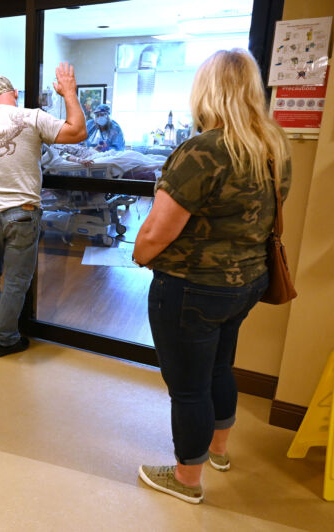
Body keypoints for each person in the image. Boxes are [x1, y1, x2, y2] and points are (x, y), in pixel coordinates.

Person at [132, 49, 291, 504]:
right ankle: (218, 452)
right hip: (247, 281)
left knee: (187, 388)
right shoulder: (274, 147)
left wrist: (140, 257)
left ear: (207, 91)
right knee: (221, 366)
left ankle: (185, 480)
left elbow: (156, 232)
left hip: (191, 288)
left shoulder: (203, 150)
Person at [0, 64, 87, 357]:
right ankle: (4, 339)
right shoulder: (32, 117)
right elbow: (78, 132)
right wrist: (69, 93)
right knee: (16, 279)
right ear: (15, 94)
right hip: (23, 214)